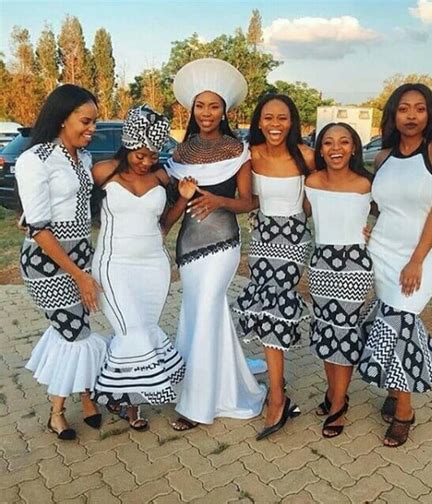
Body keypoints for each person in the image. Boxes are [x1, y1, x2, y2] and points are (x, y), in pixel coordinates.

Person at [162, 58, 266, 430]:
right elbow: (174, 210)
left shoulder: (238, 151)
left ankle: (197, 406)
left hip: (223, 246)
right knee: (197, 316)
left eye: (214, 106)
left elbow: (249, 201)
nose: (207, 113)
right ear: (191, 109)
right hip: (188, 249)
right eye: (200, 106)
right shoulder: (179, 154)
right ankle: (211, 384)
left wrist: (218, 201)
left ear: (225, 111)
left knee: (205, 312)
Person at [358, 83, 432, 447]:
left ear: (430, 113)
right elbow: (381, 206)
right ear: (393, 115)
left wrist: (416, 259)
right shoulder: (383, 157)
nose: (412, 115)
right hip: (382, 252)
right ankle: (396, 386)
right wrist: (365, 227)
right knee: (387, 322)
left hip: (419, 254)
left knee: (398, 323)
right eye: (404, 109)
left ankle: (405, 410)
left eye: (419, 108)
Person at [15, 84, 108, 440]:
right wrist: (80, 276)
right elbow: (38, 228)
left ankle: (86, 399)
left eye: (94, 121)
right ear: (62, 117)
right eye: (86, 121)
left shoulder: (81, 159)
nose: (92, 128)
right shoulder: (34, 159)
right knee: (75, 332)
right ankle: (56, 414)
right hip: (48, 263)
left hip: (80, 253)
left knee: (74, 328)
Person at [91, 105, 185, 430]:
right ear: (128, 146)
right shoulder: (103, 171)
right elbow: (72, 200)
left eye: (152, 156)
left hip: (154, 266)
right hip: (114, 265)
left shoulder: (162, 176)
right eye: (140, 155)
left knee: (139, 330)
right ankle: (110, 392)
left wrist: (184, 199)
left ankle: (128, 402)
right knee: (131, 331)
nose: (146, 162)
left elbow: (164, 224)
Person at [234, 94, 314, 440]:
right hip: (263, 238)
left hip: (294, 240)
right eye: (268, 118)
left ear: (292, 121)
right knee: (266, 310)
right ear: (259, 121)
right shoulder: (249, 155)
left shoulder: (306, 156)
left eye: (282, 118)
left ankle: (277, 399)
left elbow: (314, 203)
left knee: (275, 307)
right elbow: (247, 200)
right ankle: (280, 393)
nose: (275, 125)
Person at [305, 123, 373, 438]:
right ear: (320, 149)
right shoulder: (312, 181)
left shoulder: (366, 184)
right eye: (329, 142)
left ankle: (338, 407)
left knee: (344, 331)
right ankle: (334, 394)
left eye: (344, 142)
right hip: (320, 264)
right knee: (326, 329)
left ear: (354, 148)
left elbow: (396, 213)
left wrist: (377, 233)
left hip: (354, 265)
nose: (336, 148)